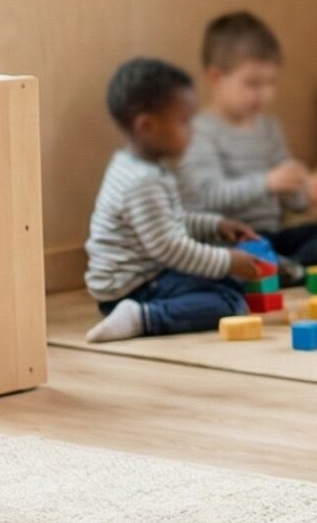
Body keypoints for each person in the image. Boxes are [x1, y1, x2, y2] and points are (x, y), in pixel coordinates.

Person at [83, 57, 276, 342]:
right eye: (184, 121)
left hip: (145, 276)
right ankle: (143, 316)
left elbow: (168, 222)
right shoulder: (143, 181)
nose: (192, 131)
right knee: (228, 302)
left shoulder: (139, 166)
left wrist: (214, 225)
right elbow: (171, 248)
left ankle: (147, 309)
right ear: (147, 126)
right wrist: (226, 260)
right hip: (133, 286)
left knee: (228, 284)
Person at [179, 11, 317, 280]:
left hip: (270, 235)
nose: (264, 93)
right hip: (225, 242)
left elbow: (288, 199)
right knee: (224, 260)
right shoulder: (200, 131)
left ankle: (279, 268)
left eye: (270, 82)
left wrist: (305, 191)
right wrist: (267, 183)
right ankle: (277, 269)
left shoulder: (268, 127)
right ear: (215, 77)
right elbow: (207, 196)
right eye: (252, 83)